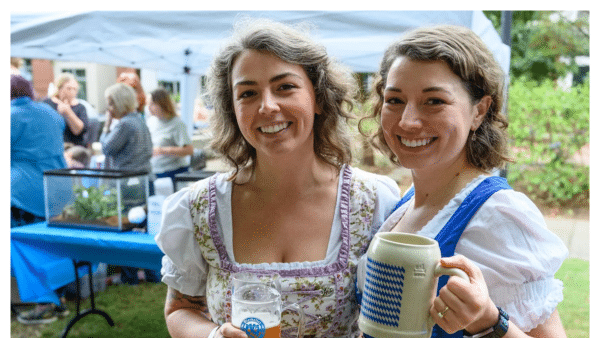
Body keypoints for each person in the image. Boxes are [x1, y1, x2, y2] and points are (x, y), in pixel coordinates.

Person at [155, 18, 400, 338]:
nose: (267, 106)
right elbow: (180, 309)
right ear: (232, 108)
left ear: (318, 98)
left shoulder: (373, 202)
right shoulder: (201, 207)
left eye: (285, 87)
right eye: (248, 93)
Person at [359, 25, 568, 338]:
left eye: (434, 101)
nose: (407, 121)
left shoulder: (499, 216)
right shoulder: (404, 205)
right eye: (394, 100)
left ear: (479, 111)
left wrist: (488, 319)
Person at [11, 74, 70, 324]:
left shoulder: (10, 117)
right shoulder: (52, 114)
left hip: (25, 193)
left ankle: (43, 305)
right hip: (57, 188)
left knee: (28, 249)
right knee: (54, 247)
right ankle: (61, 300)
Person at [100, 83, 159, 285]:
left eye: (110, 103)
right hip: (145, 180)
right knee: (145, 230)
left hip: (127, 183)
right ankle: (152, 275)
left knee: (127, 228)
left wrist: (106, 126)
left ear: (120, 103)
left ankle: (129, 276)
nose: (109, 108)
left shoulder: (124, 124)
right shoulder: (141, 121)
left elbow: (107, 148)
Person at [146, 87, 194, 182]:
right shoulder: (151, 121)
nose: (149, 107)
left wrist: (163, 150)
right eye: (148, 104)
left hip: (173, 172)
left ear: (162, 104)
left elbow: (189, 150)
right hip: (154, 172)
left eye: (152, 104)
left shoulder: (177, 124)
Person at [43, 73, 89, 146]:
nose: (72, 92)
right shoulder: (47, 104)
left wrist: (68, 112)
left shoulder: (80, 107)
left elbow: (79, 131)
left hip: (74, 148)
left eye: (75, 89)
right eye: (69, 88)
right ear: (59, 88)